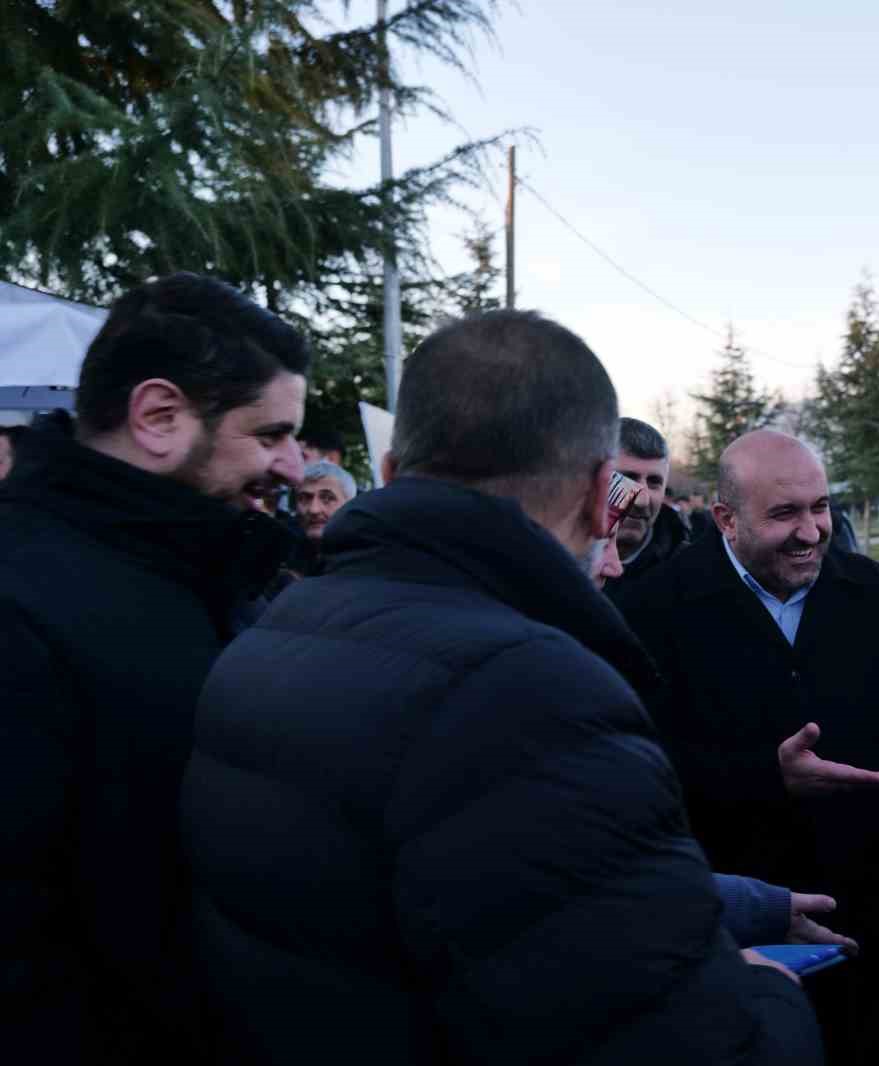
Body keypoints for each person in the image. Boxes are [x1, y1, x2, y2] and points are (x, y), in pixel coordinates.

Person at [181, 310, 822, 1066]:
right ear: (597, 494)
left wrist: (744, 904)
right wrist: (760, 990)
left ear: (390, 474)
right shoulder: (536, 693)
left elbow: (505, 894)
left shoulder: (272, 630)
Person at [0, 273, 307, 1063]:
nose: (297, 470)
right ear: (160, 416)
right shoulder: (21, 606)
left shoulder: (208, 574)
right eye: (270, 435)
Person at [615, 429, 879, 1066]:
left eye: (820, 508)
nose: (812, 532)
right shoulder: (653, 607)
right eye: (785, 514)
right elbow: (640, 772)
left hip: (857, 911)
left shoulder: (868, 588)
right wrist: (765, 776)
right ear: (726, 519)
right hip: (733, 922)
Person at [606, 416, 690, 590]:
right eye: (627, 478)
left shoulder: (692, 574)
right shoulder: (548, 561)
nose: (642, 500)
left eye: (654, 482)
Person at [293, 459, 357, 553]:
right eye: (305, 499)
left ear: (350, 504)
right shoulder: (281, 554)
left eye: (327, 498)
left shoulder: (370, 559)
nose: (314, 510)